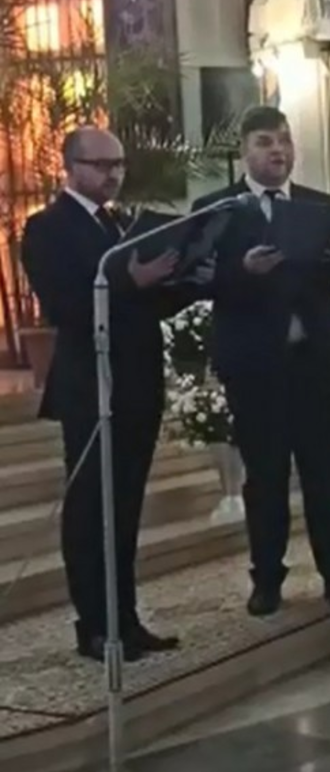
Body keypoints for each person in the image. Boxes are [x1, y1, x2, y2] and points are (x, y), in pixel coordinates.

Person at [21, 127, 211, 660]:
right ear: (70, 167)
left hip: (136, 381)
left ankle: (125, 619)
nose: (113, 174)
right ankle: (95, 625)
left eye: (119, 164)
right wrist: (133, 281)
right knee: (91, 509)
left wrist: (192, 278)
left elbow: (146, 302)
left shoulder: (118, 225)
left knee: (125, 508)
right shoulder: (46, 228)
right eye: (101, 165)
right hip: (90, 387)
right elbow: (67, 307)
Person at [194, 105, 330, 617]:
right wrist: (243, 271)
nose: (278, 151)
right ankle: (266, 580)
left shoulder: (321, 206)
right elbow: (199, 280)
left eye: (285, 141)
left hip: (315, 363)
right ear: (244, 151)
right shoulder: (216, 208)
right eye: (266, 142)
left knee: (325, 475)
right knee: (265, 478)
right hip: (256, 367)